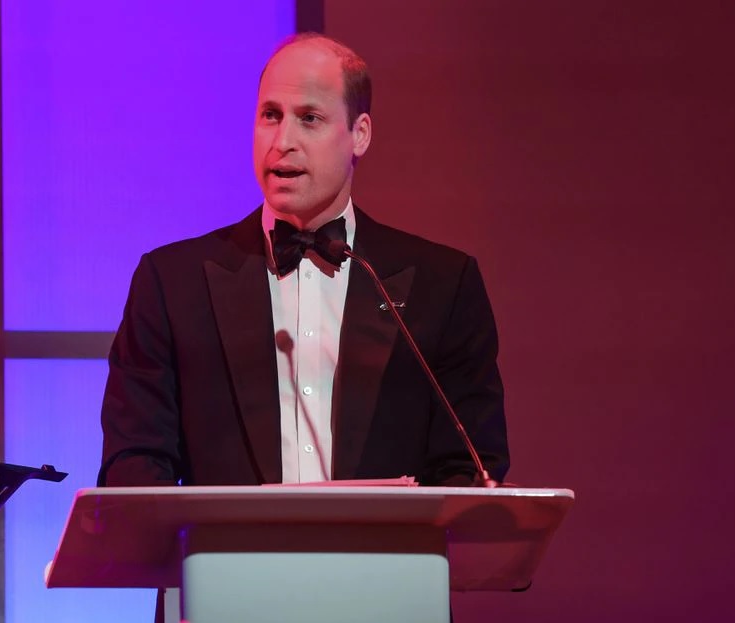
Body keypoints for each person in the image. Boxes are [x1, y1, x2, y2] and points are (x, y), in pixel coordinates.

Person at [98, 33, 508, 488]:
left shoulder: (444, 285)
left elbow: (470, 470)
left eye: (309, 118)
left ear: (360, 134)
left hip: (387, 559)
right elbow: (134, 466)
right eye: (270, 116)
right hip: (228, 559)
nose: (282, 141)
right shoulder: (172, 284)